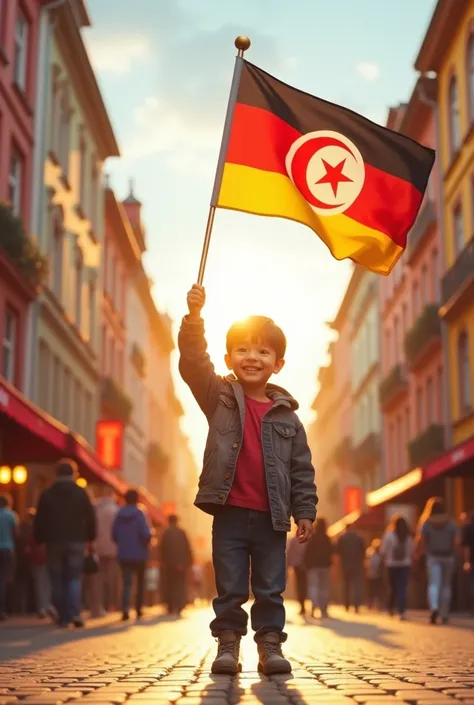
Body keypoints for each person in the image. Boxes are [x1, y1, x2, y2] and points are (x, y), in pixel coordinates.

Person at [178, 284, 317, 676]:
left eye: (262, 351)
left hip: (273, 518)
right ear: (228, 357)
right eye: (242, 349)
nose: (252, 358)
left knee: (271, 588)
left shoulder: (289, 418)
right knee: (231, 587)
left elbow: (301, 470)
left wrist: (305, 510)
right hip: (230, 514)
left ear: (279, 363)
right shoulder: (219, 396)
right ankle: (228, 646)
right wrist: (194, 319)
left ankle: (270, 647)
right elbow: (192, 362)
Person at [34, 459, 96, 627]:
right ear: (74, 474)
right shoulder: (80, 493)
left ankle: (62, 616)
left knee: (57, 579)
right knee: (73, 578)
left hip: (54, 541)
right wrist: (90, 538)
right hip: (76, 540)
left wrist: (39, 539)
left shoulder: (47, 493)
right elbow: (90, 517)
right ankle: (74, 613)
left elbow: (40, 519)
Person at [416, 497, 458, 625]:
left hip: (433, 556)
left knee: (434, 583)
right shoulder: (451, 522)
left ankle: (434, 607)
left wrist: (419, 553)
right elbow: (457, 540)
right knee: (446, 585)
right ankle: (445, 614)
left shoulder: (427, 522)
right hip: (448, 556)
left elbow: (421, 540)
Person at [112, 489, 151, 621]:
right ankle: (138, 610)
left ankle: (125, 609)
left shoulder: (119, 514)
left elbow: (114, 534)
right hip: (139, 554)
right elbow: (145, 533)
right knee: (140, 583)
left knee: (126, 583)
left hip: (124, 554)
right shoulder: (140, 513)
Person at [90, 487, 120, 617]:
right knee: (113, 578)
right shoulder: (115, 510)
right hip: (113, 548)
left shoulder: (94, 508)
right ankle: (112, 605)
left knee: (97, 579)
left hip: (96, 547)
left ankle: (97, 607)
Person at [381, 515, 414, 620]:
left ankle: (391, 608)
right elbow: (411, 551)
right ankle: (402, 610)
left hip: (391, 564)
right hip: (405, 564)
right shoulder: (408, 536)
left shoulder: (389, 535)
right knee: (402, 587)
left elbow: (383, 551)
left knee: (392, 587)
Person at [159, 514, 193, 616]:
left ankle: (170, 605)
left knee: (169, 584)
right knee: (180, 584)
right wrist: (188, 562)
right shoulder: (182, 532)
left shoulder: (165, 533)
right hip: (181, 564)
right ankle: (180, 604)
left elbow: (162, 549)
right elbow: (188, 548)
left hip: (169, 564)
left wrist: (163, 561)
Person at [304, 517, 333, 619]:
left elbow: (307, 552)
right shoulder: (327, 538)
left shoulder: (312, 538)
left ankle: (313, 607)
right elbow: (331, 551)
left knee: (314, 587)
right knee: (324, 588)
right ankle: (324, 609)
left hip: (313, 567)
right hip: (325, 566)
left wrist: (307, 564)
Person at [336, 523, 365, 612]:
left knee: (346, 585)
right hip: (357, 565)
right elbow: (363, 551)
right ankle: (356, 605)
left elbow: (338, 551)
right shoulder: (359, 538)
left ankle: (347, 604)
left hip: (345, 565)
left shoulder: (342, 538)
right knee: (356, 585)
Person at [0, 493, 17, 620]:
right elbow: (16, 532)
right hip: (7, 549)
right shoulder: (11, 515)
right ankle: (3, 609)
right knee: (4, 579)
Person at [286, 525, 308, 616]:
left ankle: (302, 605)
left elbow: (289, 553)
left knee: (299, 586)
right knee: (305, 585)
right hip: (306, 566)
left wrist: (288, 565)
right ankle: (304, 604)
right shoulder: (307, 541)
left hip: (296, 566)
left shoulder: (293, 541)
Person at [366, 539, 384, 610]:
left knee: (377, 590)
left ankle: (377, 604)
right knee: (371, 590)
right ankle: (371, 603)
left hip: (376, 575)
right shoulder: (370, 554)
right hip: (371, 575)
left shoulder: (380, 555)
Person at [462, 510, 474, 614]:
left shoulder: (468, 529)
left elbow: (467, 547)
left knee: (471, 584)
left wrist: (466, 561)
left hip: (472, 560)